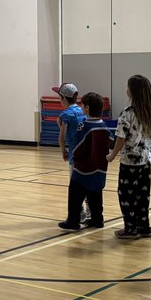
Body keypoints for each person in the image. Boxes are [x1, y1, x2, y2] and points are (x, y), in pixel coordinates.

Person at [107, 74, 151, 240]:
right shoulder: (149, 112)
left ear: (133, 91)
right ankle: (144, 226)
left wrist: (112, 155)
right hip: (146, 160)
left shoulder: (127, 113)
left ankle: (131, 228)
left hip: (130, 161)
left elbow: (121, 137)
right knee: (142, 196)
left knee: (126, 195)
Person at [59, 91, 110, 231]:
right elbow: (110, 141)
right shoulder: (103, 125)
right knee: (95, 194)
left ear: (87, 108)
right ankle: (97, 219)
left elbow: (78, 145)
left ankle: (73, 221)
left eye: (82, 106)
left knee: (75, 195)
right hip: (99, 168)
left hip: (83, 169)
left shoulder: (84, 126)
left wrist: (75, 158)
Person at [54, 82, 89, 222]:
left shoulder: (65, 115)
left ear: (63, 98)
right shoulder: (82, 110)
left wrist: (63, 151)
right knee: (87, 183)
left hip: (74, 155)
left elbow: (62, 137)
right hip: (86, 153)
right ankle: (91, 210)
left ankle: (79, 213)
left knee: (75, 185)